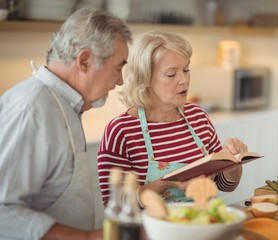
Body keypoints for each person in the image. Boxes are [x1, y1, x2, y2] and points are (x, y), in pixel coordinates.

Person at [0, 7, 132, 240]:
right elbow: (3, 213)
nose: (120, 80)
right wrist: (89, 238)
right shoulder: (31, 110)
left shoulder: (64, 105)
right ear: (85, 61)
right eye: (118, 68)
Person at [97, 31, 248, 205]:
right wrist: (165, 183)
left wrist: (233, 161)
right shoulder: (121, 131)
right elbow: (115, 203)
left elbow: (225, 185)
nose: (184, 80)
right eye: (171, 74)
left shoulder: (198, 117)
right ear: (145, 78)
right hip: (151, 231)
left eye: (186, 70)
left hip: (202, 224)